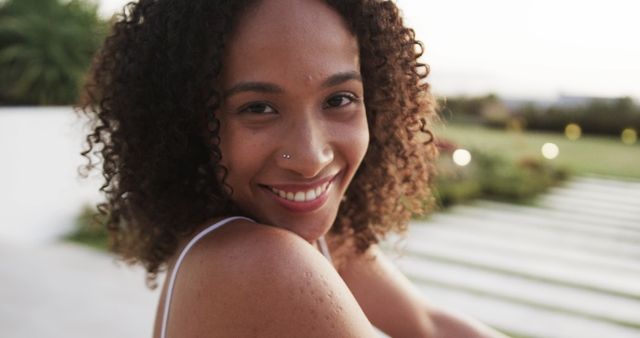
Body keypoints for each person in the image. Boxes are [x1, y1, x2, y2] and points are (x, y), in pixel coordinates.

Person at [80, 0, 507, 337]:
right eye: (258, 108)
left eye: (339, 99)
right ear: (187, 123)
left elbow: (430, 327)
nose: (311, 158)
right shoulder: (263, 263)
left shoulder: (315, 239)